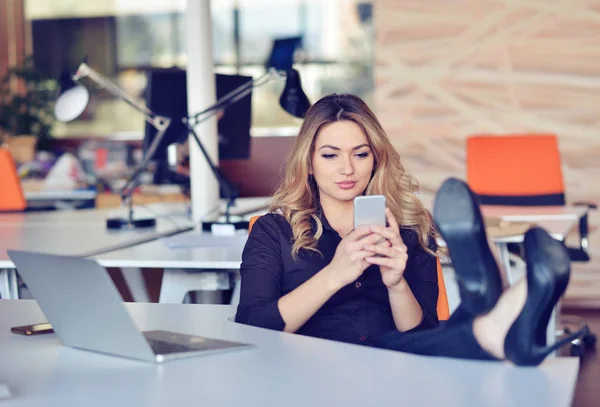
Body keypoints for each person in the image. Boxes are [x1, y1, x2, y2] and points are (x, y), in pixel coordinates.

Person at [235, 93, 584, 366]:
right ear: (308, 162)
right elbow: (253, 327)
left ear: (376, 160)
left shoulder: (409, 229)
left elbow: (421, 334)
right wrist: (334, 275)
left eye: (360, 154)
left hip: (393, 361)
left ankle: (494, 311)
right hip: (311, 365)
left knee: (438, 338)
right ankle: (503, 309)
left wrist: (396, 283)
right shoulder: (273, 231)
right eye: (330, 155)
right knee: (462, 335)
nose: (347, 169)